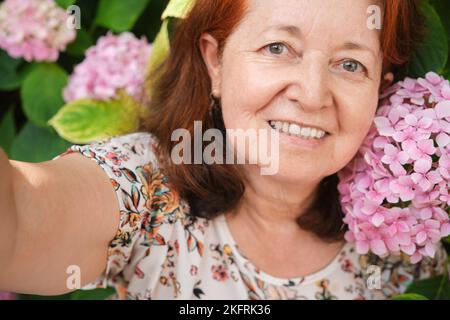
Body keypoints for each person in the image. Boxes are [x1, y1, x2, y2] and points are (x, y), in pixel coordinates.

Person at [0, 0, 447, 300]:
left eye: (351, 64)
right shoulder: (146, 187)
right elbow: (19, 217)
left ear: (382, 91)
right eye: (277, 47)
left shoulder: (413, 242)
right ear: (215, 62)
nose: (313, 95)